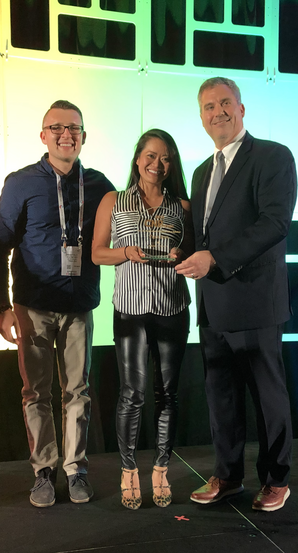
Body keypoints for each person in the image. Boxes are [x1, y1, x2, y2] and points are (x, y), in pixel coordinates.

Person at [175, 77, 297, 512]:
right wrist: (185, 251)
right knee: (220, 397)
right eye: (208, 107)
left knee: (268, 397)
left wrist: (215, 260)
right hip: (213, 302)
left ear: (242, 109)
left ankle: (276, 478)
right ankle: (227, 476)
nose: (218, 112)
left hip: (255, 300)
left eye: (225, 103)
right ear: (202, 117)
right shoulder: (202, 171)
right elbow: (204, 233)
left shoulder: (273, 156)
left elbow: (274, 223)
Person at [0, 100, 115, 508]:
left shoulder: (100, 186)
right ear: (43, 136)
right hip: (33, 307)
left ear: (84, 136)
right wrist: (0, 307)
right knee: (35, 393)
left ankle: (75, 469)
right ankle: (44, 470)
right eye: (57, 128)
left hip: (79, 306)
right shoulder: (20, 183)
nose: (66, 134)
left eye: (74, 128)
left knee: (78, 390)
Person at [92, 129, 192, 509]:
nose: (157, 164)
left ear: (171, 164)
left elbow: (195, 255)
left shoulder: (182, 208)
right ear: (137, 158)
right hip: (130, 309)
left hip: (172, 308)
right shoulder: (113, 201)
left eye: (165, 158)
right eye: (150, 155)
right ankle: (129, 470)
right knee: (132, 395)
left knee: (168, 394)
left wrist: (181, 253)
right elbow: (98, 254)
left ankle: (161, 471)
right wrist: (126, 252)